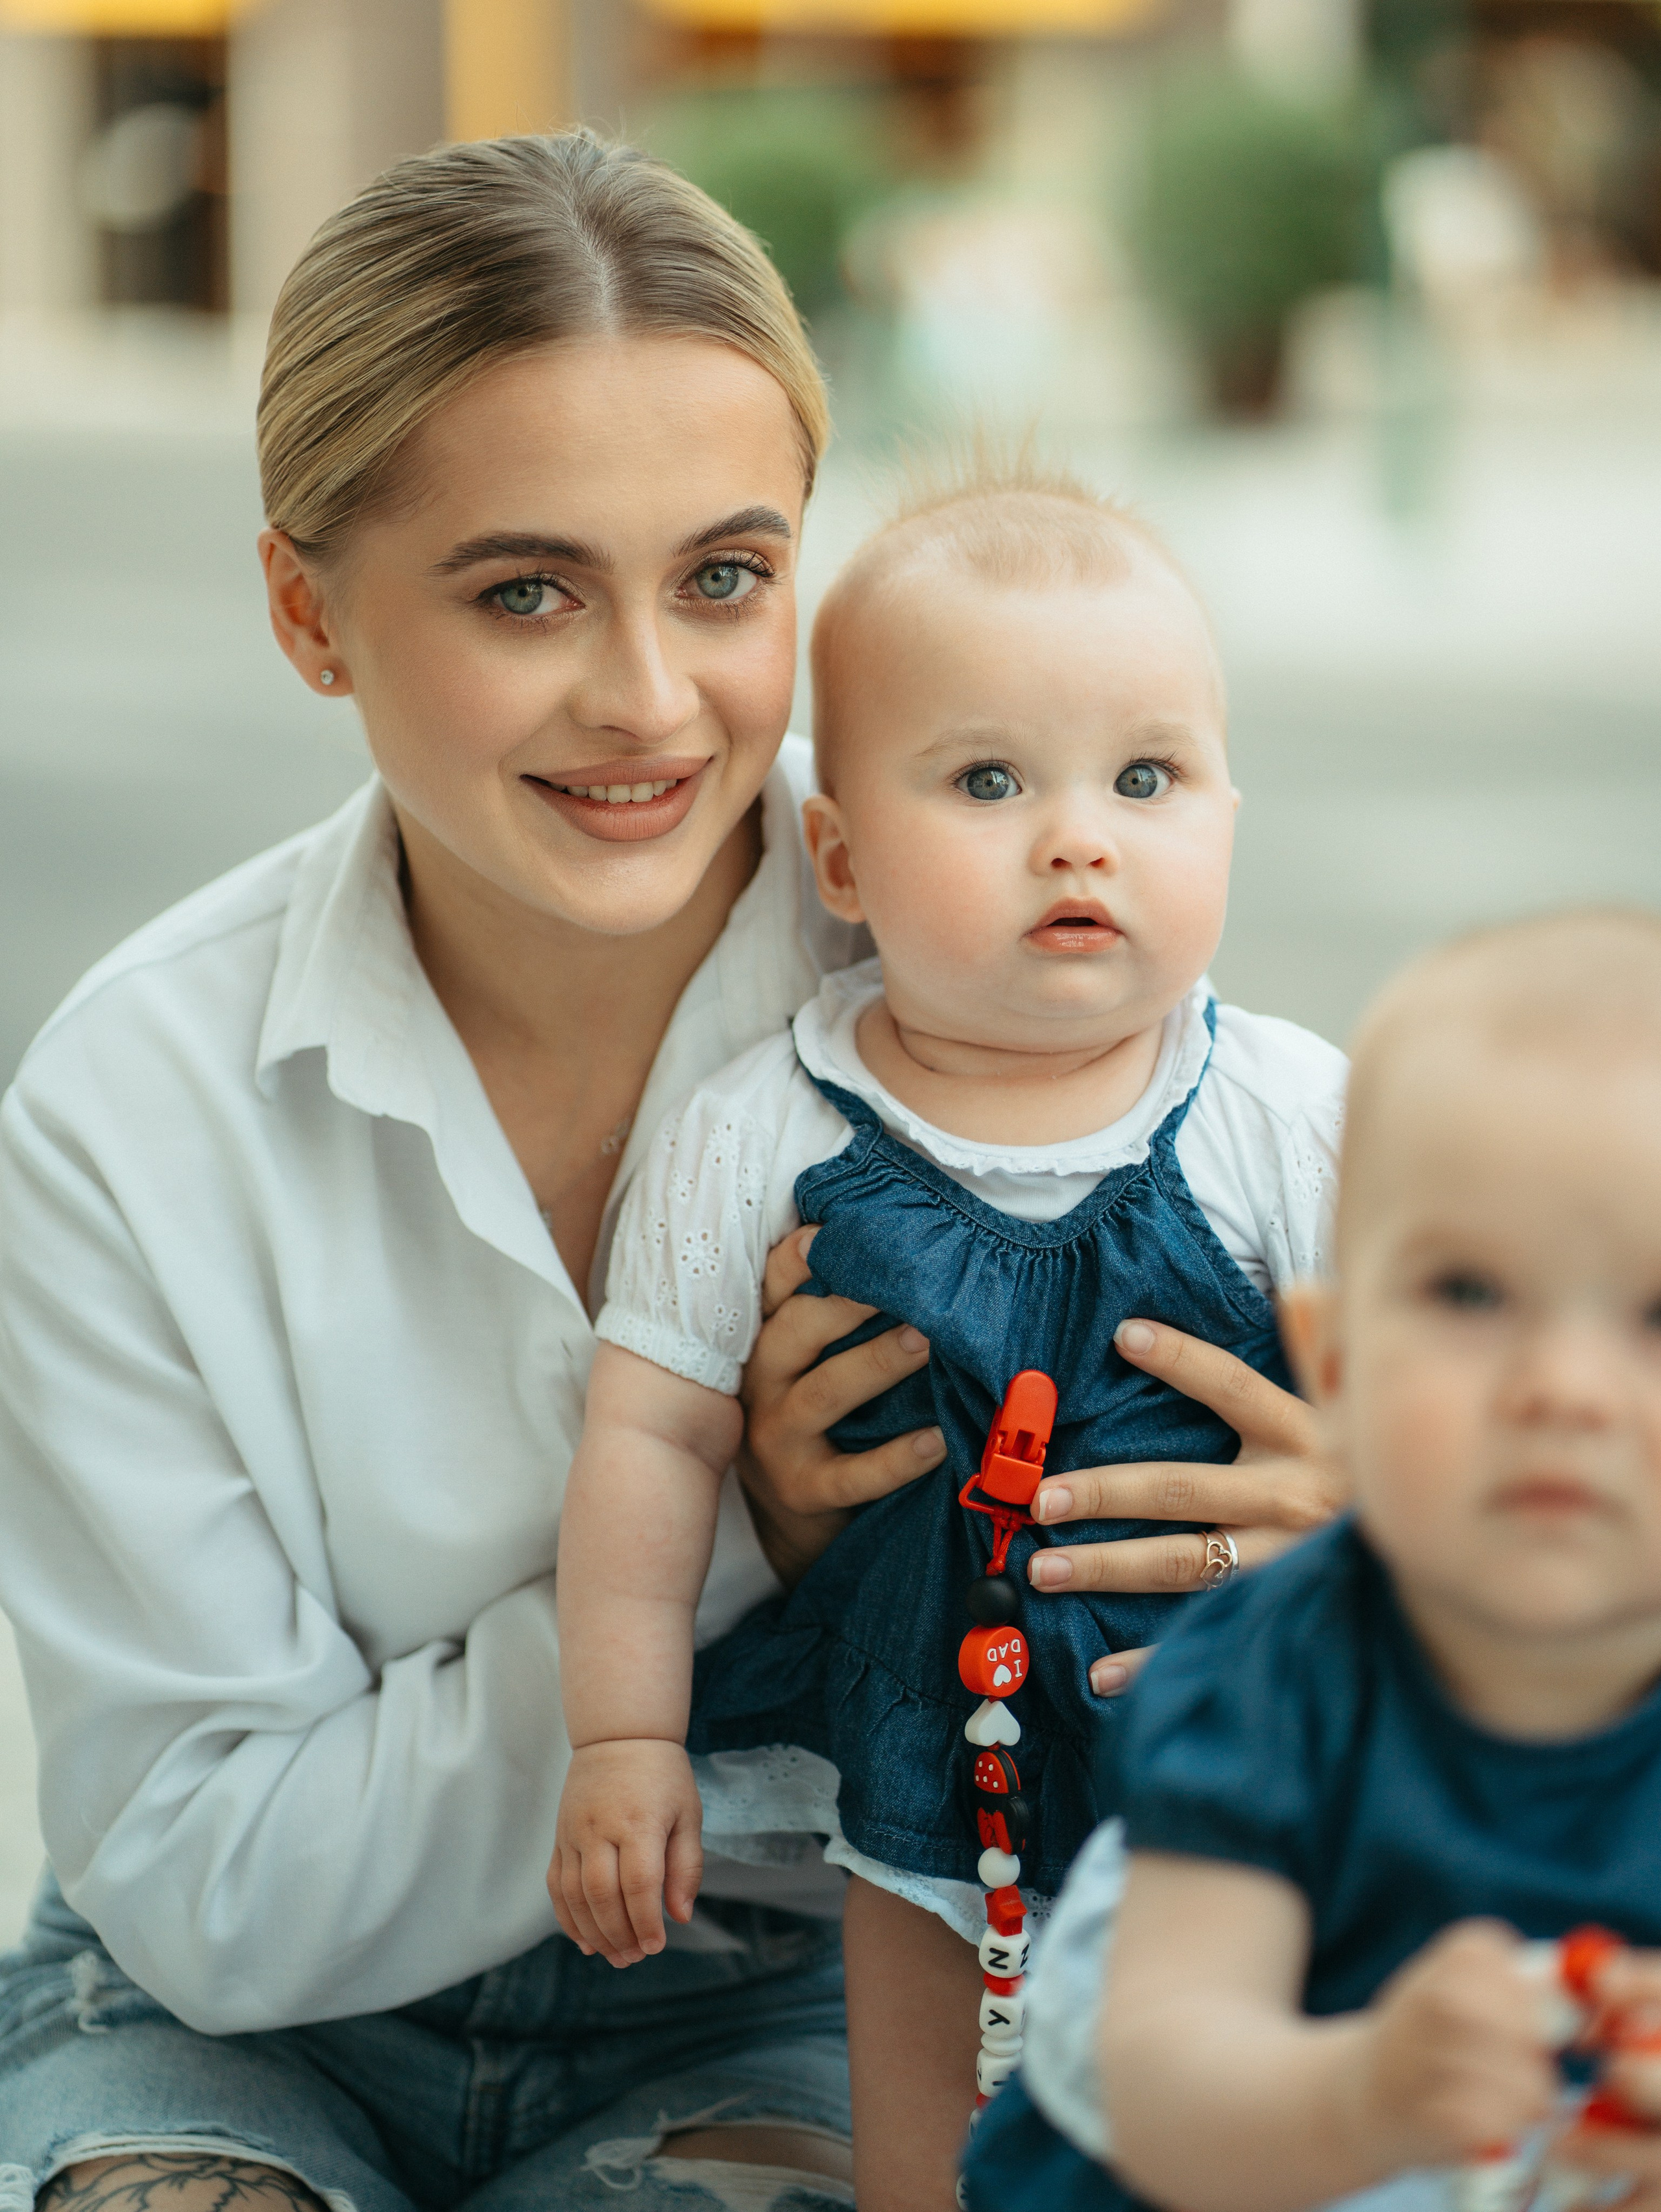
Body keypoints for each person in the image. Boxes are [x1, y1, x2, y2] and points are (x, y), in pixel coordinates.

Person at [0, 135, 1334, 2212]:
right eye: (525, 591)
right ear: (308, 612)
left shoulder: (1018, 959)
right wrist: (746, 1534)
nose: (646, 701)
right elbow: (207, 1883)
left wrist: (1372, 1554)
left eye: (723, 578)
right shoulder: (132, 1102)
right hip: (231, 2031)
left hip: (795, 1994)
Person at [551, 465, 1349, 2212]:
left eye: (1145, 777)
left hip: (1241, 1777)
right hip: (922, 1767)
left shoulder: (1291, 1121)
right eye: (988, 781)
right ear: (839, 856)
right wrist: (620, 1735)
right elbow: (652, 1435)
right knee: (930, 2140)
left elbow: (1434, 1413)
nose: (1079, 837)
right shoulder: (759, 1131)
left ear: (1228, 812)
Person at [964, 908, 1661, 2212]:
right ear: (1333, 1365)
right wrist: (1363, 2096)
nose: (1563, 1387)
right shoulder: (1278, 1668)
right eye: (1468, 1294)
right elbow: (1163, 2079)